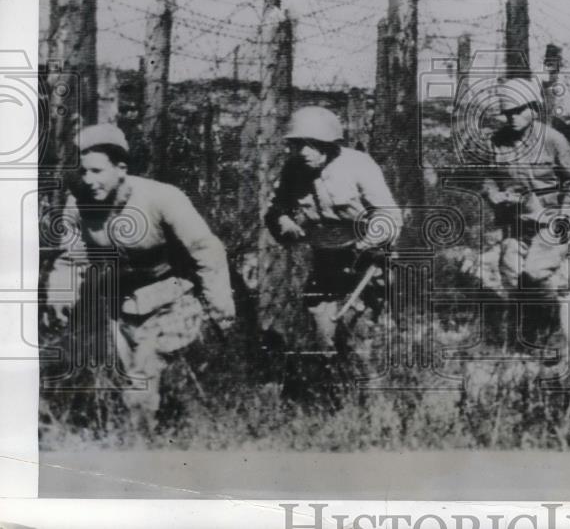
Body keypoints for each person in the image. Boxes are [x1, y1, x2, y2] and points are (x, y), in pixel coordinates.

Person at [45, 124, 235, 428]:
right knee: (126, 375)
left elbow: (206, 249)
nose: (88, 180)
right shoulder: (79, 204)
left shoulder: (161, 198)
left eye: (96, 171)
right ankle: (173, 427)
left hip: (172, 299)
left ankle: (140, 448)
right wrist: (60, 294)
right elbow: (71, 257)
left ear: (121, 168)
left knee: (142, 378)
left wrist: (219, 303)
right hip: (120, 304)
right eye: (82, 172)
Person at [264, 106, 402, 381]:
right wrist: (283, 222)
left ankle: (375, 401)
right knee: (322, 332)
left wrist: (369, 244)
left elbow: (389, 215)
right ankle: (334, 395)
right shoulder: (294, 170)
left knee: (361, 335)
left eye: (312, 145)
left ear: (329, 145)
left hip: (366, 260)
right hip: (326, 260)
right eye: (297, 145)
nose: (304, 152)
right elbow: (275, 208)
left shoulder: (358, 165)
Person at [481, 77, 570, 355]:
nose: (511, 117)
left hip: (551, 221)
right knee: (512, 275)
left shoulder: (553, 139)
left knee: (536, 273)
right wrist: (493, 195)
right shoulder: (498, 142)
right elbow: (489, 180)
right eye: (507, 112)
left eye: (518, 110)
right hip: (517, 223)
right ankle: (526, 336)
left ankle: (553, 334)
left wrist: (565, 210)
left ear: (533, 109)